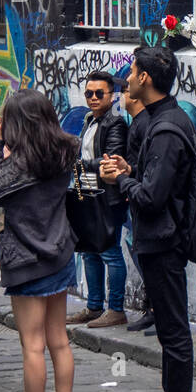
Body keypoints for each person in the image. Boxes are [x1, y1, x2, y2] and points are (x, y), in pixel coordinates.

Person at [100, 46, 196, 392]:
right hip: (159, 239)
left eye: (133, 69)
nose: (128, 75)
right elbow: (156, 179)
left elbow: (153, 198)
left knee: (173, 331)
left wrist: (120, 181)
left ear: (145, 79)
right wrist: (131, 170)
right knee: (170, 331)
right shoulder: (162, 120)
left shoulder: (167, 128)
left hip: (164, 241)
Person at [0, 89, 79, 392]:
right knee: (59, 341)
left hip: (27, 260)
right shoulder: (67, 150)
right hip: (61, 252)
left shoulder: (20, 164)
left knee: (32, 346)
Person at [67, 72, 129, 328]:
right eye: (89, 93)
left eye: (99, 93)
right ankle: (94, 307)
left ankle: (116, 309)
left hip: (109, 198)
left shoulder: (115, 124)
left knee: (110, 252)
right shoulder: (89, 120)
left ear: (111, 95)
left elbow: (110, 160)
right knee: (90, 251)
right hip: (89, 195)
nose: (93, 98)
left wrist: (78, 165)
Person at [121, 87, 155, 335]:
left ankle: (158, 312)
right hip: (138, 195)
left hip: (144, 198)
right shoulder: (138, 123)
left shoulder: (144, 124)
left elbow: (146, 165)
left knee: (150, 257)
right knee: (143, 255)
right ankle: (152, 310)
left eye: (123, 91)